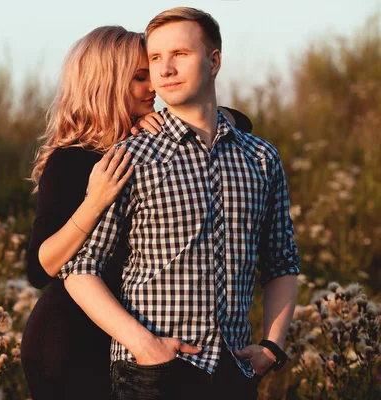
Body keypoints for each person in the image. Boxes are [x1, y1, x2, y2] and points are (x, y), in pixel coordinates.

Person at [59, 7, 300, 400]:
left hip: (235, 369)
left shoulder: (261, 158)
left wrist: (272, 346)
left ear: (214, 60)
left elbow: (282, 261)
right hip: (152, 372)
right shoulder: (129, 157)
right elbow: (79, 268)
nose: (165, 69)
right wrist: (142, 344)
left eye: (180, 55)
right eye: (155, 58)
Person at [21, 25, 253, 400]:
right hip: (72, 339)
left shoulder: (143, 146)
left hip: (128, 338)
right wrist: (94, 201)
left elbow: (239, 120)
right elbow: (39, 267)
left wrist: (162, 121)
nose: (154, 86)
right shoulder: (73, 160)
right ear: (108, 84)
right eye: (140, 77)